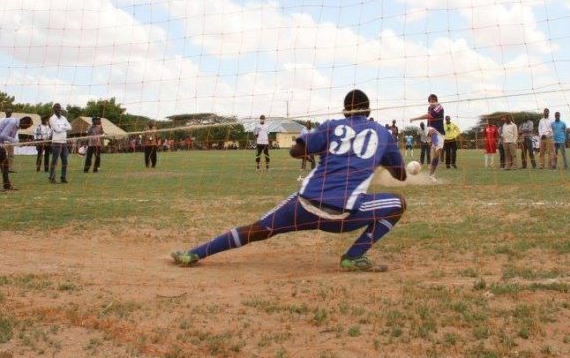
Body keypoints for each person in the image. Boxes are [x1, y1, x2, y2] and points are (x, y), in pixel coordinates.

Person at [170, 89, 407, 272]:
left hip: (303, 205)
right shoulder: (383, 133)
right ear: (368, 111)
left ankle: (194, 254)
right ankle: (354, 256)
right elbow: (401, 175)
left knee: (258, 229)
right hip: (342, 216)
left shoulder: (331, 126)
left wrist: (315, 146)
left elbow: (295, 152)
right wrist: (379, 160)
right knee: (399, 204)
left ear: (345, 110)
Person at [0, 115, 32, 191]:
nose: (26, 128)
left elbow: (10, 139)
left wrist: (21, 144)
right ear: (23, 122)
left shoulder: (17, 126)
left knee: (5, 165)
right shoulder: (13, 122)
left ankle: (6, 185)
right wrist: (17, 142)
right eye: (27, 126)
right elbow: (3, 135)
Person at [410, 94, 445, 181]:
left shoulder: (439, 107)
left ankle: (431, 174)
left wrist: (415, 118)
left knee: (436, 155)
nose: (431, 103)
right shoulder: (430, 108)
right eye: (430, 101)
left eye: (432, 101)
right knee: (431, 131)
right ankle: (433, 141)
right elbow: (429, 118)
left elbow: (429, 116)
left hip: (440, 133)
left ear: (436, 100)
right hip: (431, 129)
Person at [49, 103, 72, 183]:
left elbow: (70, 127)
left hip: (64, 141)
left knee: (65, 160)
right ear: (54, 109)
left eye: (60, 108)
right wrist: (65, 128)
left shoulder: (63, 118)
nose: (59, 110)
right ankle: (52, 178)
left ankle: (63, 177)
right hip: (56, 142)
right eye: (57, 108)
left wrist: (62, 127)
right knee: (55, 160)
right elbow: (56, 130)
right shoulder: (52, 119)